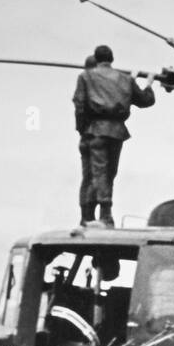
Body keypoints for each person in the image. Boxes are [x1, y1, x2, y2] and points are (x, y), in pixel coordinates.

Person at [72, 44, 155, 228]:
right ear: (112, 59)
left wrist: (82, 130)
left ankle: (102, 214)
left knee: (98, 173)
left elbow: (80, 104)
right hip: (116, 132)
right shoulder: (124, 79)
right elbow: (145, 100)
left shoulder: (86, 76)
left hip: (95, 130)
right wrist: (149, 84)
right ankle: (99, 214)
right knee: (109, 173)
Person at [76, 56, 97, 227]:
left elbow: (79, 109)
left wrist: (82, 130)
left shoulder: (83, 84)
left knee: (88, 178)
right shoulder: (93, 85)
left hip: (85, 137)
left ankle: (86, 216)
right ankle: (90, 216)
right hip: (96, 135)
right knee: (99, 177)